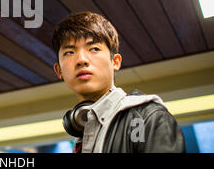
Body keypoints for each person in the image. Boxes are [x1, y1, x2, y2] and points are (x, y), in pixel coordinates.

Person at [52, 11, 185, 153]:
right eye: (69, 52)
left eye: (94, 49)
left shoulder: (146, 118)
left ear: (115, 62)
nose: (81, 60)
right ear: (58, 70)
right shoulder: (82, 135)